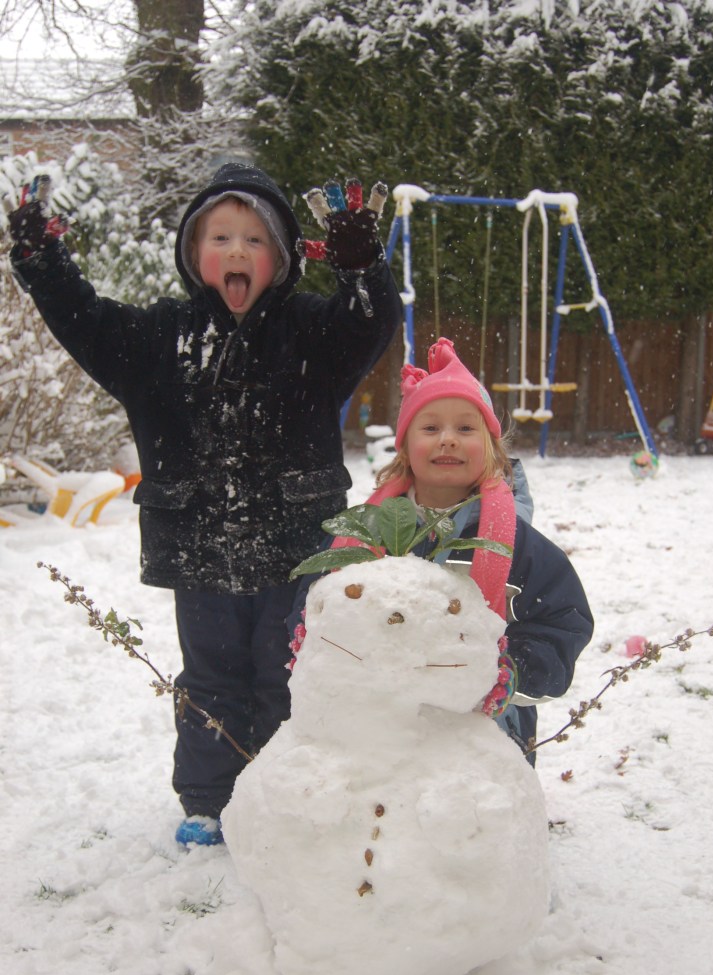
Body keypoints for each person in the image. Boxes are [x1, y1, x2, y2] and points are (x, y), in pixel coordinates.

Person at [7, 163, 402, 845]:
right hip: (199, 547)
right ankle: (210, 801)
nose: (237, 250)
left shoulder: (312, 333)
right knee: (211, 677)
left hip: (295, 543)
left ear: (282, 258)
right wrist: (44, 263)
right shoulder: (160, 338)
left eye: (255, 238)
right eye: (220, 237)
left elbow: (370, 323)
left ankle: (284, 794)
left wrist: (361, 268)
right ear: (194, 253)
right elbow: (86, 321)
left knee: (288, 672)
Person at [291, 337, 593, 761]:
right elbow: (313, 601)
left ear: (491, 447)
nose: (447, 440)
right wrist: (314, 643)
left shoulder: (519, 547)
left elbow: (562, 624)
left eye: (465, 429)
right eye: (431, 428)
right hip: (373, 727)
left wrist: (509, 672)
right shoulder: (364, 533)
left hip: (480, 737)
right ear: (405, 447)